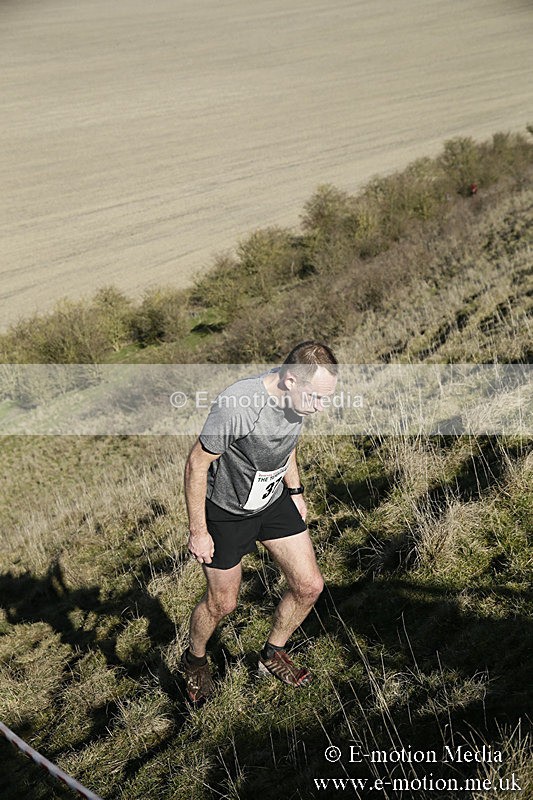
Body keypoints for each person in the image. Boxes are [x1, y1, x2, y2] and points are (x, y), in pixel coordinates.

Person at [181, 340, 338, 702]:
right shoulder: (239, 405)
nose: (321, 406)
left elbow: (287, 442)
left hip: (272, 501)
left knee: (309, 586)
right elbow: (196, 465)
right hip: (227, 513)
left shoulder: (300, 399)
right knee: (223, 604)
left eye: (327, 397)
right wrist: (199, 531)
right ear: (289, 381)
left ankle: (271, 654)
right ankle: (195, 660)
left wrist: (295, 491)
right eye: (316, 397)